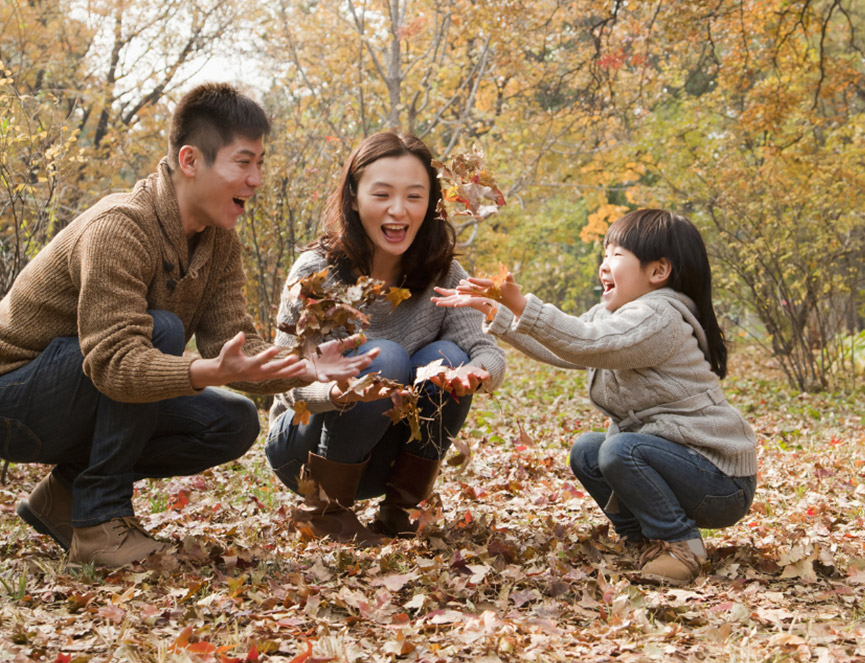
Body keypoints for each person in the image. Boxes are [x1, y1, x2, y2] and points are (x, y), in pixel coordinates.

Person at [0, 83, 377, 568]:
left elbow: (234, 345)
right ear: (190, 160)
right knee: (162, 331)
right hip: (15, 398)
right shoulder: (119, 227)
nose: (256, 178)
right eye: (243, 162)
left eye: (260, 163)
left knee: (230, 421)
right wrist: (202, 372)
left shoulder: (219, 242)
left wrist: (304, 367)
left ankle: (66, 495)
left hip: (72, 397)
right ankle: (98, 524)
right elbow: (115, 365)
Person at [433, 209, 757, 585]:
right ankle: (644, 541)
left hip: (719, 480)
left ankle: (681, 546)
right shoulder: (618, 314)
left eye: (616, 255)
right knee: (588, 450)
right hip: (682, 466)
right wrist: (498, 312)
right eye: (605, 254)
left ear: (658, 271)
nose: (604, 265)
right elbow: (566, 348)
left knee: (619, 451)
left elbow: (585, 343)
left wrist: (523, 304)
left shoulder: (660, 317)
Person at [265, 131, 506, 546]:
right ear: (354, 198)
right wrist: (337, 393)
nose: (399, 210)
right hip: (306, 452)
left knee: (448, 355)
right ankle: (325, 514)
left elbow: (487, 350)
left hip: (386, 459)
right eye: (382, 195)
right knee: (387, 357)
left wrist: (475, 373)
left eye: (415, 196)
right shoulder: (315, 273)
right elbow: (282, 383)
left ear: (431, 204)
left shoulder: (444, 274)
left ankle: (402, 510)